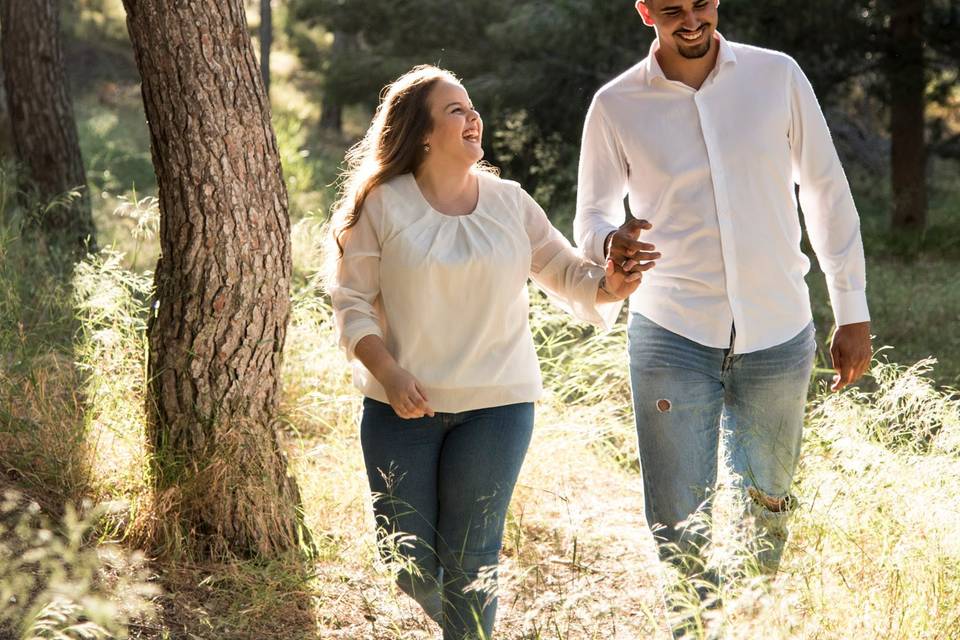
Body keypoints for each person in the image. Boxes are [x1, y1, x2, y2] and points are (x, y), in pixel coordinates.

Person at [326, 65, 644, 640]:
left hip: (499, 407)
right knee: (408, 562)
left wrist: (611, 283)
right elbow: (351, 303)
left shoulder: (509, 202)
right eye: (456, 110)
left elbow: (565, 269)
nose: (474, 118)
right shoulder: (383, 204)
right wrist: (390, 373)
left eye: (472, 107)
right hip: (401, 409)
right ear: (422, 133)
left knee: (472, 561)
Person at [573, 0, 872, 605]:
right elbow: (592, 215)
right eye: (672, 9)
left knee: (768, 504)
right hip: (670, 332)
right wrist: (610, 242)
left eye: (702, 3)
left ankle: (752, 617)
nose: (692, 20)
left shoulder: (777, 75)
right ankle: (696, 623)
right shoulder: (615, 104)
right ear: (644, 12)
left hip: (779, 332)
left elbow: (824, 189)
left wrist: (852, 310)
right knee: (679, 521)